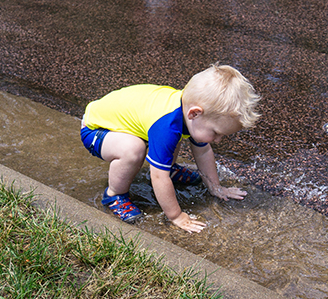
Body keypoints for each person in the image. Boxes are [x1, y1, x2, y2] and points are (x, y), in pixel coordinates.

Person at [80, 64, 260, 233]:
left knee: (175, 138)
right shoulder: (166, 123)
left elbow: (203, 151)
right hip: (96, 130)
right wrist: (176, 216)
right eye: (216, 133)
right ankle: (114, 194)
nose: (218, 140)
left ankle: (171, 168)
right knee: (134, 150)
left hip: (122, 126)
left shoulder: (189, 112)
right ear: (195, 113)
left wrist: (216, 187)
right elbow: (158, 176)